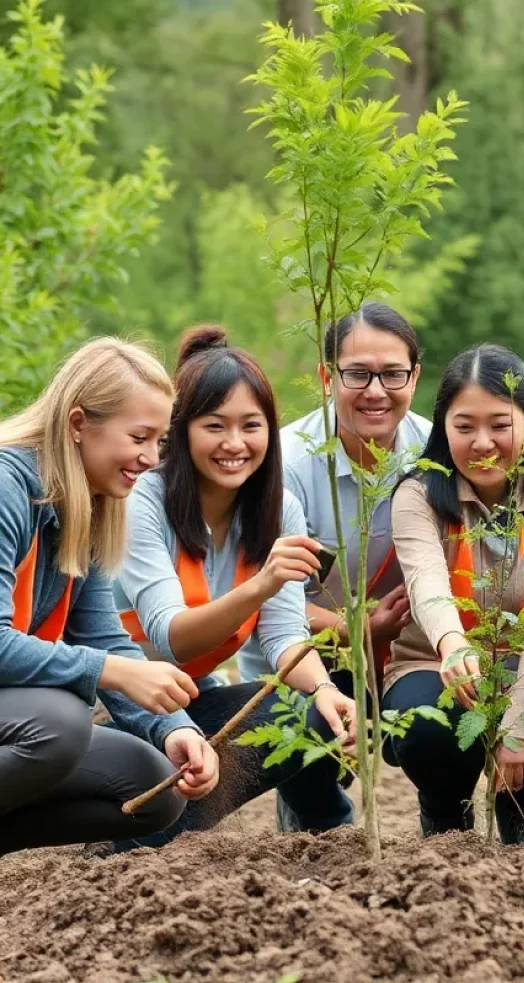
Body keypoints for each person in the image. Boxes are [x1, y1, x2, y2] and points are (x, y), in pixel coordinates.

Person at [113, 326, 357, 847]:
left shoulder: (278, 509)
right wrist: (261, 583)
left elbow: (284, 635)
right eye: (214, 426)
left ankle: (325, 830)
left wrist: (328, 689)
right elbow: (171, 636)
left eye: (252, 426)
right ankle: (143, 841)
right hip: (120, 703)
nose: (234, 444)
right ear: (180, 432)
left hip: (192, 697)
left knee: (305, 711)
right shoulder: (143, 501)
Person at [0, 337, 219, 857]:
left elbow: (102, 637)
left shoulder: (84, 506)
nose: (151, 459)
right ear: (76, 425)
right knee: (57, 724)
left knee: (149, 784)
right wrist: (113, 672)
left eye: (160, 441)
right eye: (140, 437)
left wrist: (174, 728)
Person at [385, 344, 524, 844]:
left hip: (522, 664)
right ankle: (446, 815)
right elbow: (426, 578)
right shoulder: (419, 494)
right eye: (464, 426)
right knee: (424, 723)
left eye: (499, 424)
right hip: (433, 665)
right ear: (442, 425)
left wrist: (516, 723)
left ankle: (520, 810)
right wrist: (451, 643)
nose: (482, 442)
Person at [279, 302, 430, 830]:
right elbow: (270, 601)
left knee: (440, 731)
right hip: (310, 650)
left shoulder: (436, 454)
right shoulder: (288, 464)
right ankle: (318, 825)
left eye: (393, 373)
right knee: (303, 738)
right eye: (357, 374)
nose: (375, 391)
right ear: (327, 376)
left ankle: (445, 821)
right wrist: (352, 629)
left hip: (414, 647)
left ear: (415, 374)